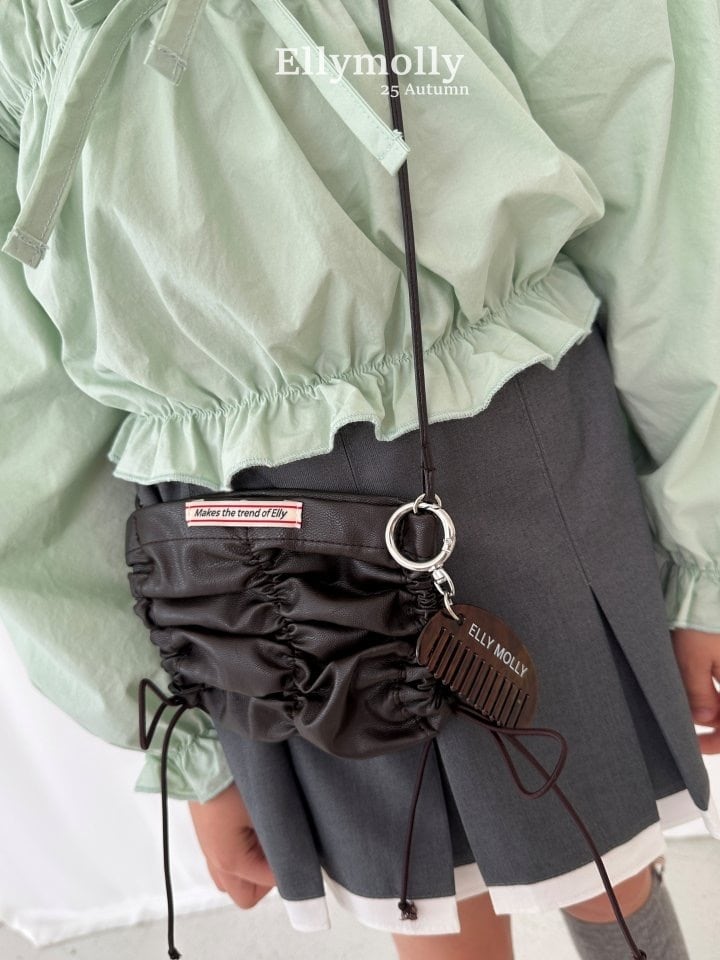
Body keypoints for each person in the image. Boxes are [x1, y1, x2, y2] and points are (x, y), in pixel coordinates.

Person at [0, 1, 718, 959]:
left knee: (604, 864)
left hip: (510, 447)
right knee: (418, 897)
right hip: (243, 554)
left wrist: (702, 554)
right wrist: (187, 742)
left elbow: (648, 146)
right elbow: (23, 429)